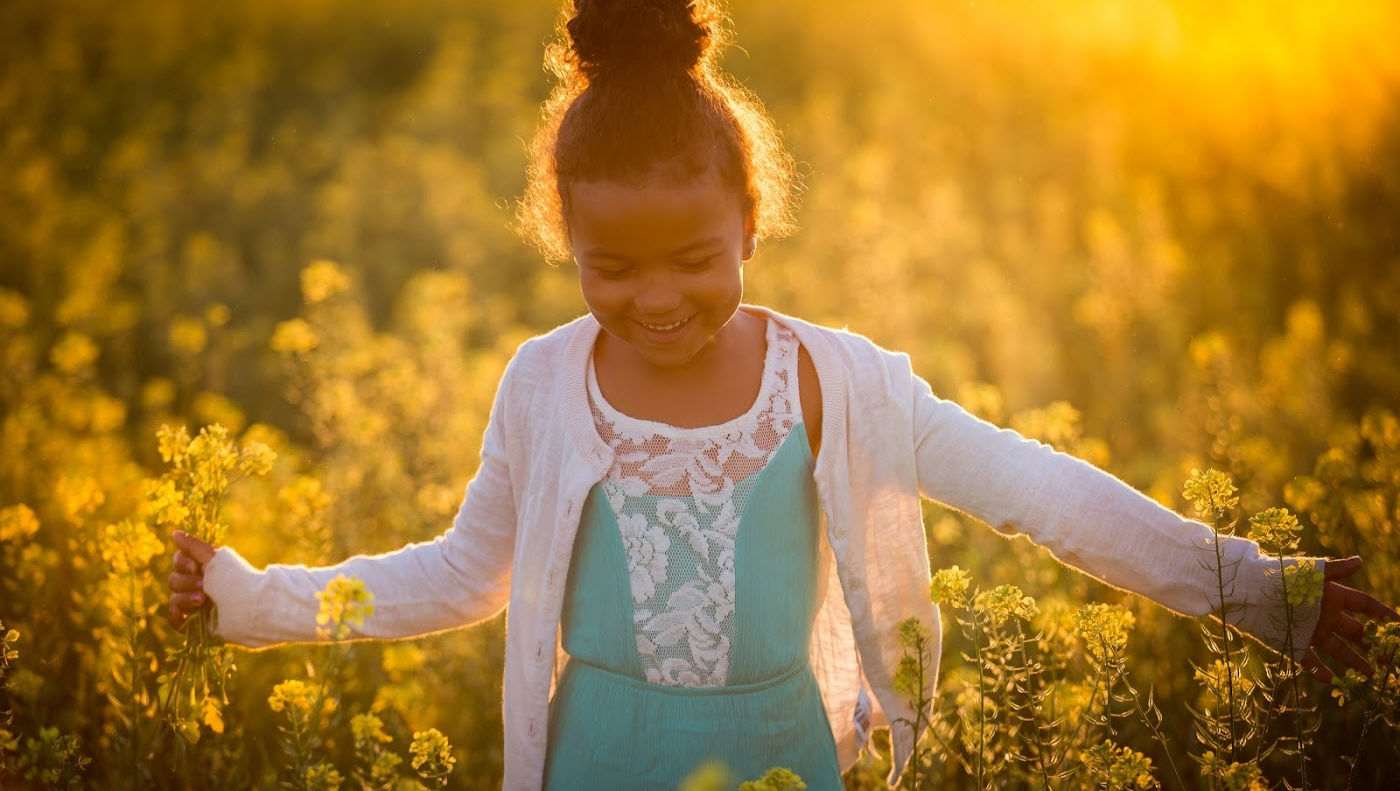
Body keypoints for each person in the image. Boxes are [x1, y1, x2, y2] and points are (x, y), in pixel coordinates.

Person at [166, 1, 1398, 789]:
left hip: (780, 759)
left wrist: (1249, 587)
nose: (656, 296)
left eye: (694, 257)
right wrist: (249, 596)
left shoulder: (828, 382)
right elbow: (458, 574)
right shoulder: (542, 384)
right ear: (562, 241)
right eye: (611, 266)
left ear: (751, 225)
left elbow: (1034, 489)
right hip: (592, 760)